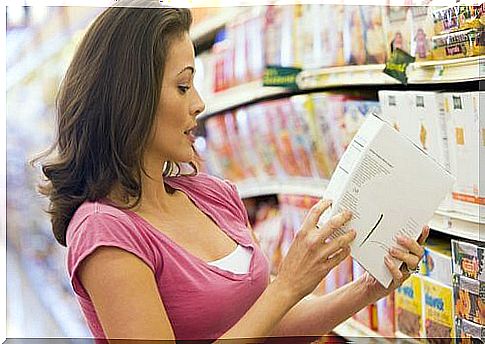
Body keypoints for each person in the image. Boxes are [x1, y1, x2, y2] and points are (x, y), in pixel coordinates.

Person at [34, 2, 429, 342]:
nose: (200, 103)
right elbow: (271, 307)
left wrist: (368, 289)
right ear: (131, 98)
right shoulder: (105, 231)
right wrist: (288, 285)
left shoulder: (212, 196)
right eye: (183, 86)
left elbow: (268, 326)